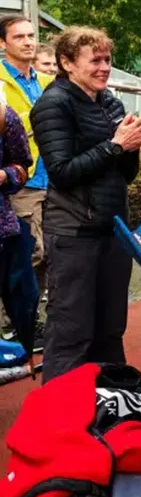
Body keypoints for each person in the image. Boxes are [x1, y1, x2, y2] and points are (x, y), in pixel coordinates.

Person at [31, 26, 141, 381]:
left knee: (110, 328)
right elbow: (62, 172)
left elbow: (123, 175)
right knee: (73, 329)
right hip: (74, 231)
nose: (104, 67)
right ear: (67, 63)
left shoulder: (110, 103)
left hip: (112, 229)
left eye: (107, 59)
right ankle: (57, 417)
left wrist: (131, 147)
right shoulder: (53, 104)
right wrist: (116, 145)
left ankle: (108, 403)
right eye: (95, 60)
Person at [0, 16, 53, 308]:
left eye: (31, 35)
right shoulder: (0, 82)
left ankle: (34, 318)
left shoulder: (47, 81)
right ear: (2, 43)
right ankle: (12, 322)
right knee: (28, 252)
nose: (28, 42)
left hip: (52, 178)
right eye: (19, 37)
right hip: (21, 181)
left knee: (49, 254)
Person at [0, 104, 38, 355]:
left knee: (23, 296)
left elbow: (23, 165)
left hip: (3, 231)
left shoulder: (4, 115)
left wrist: (5, 175)